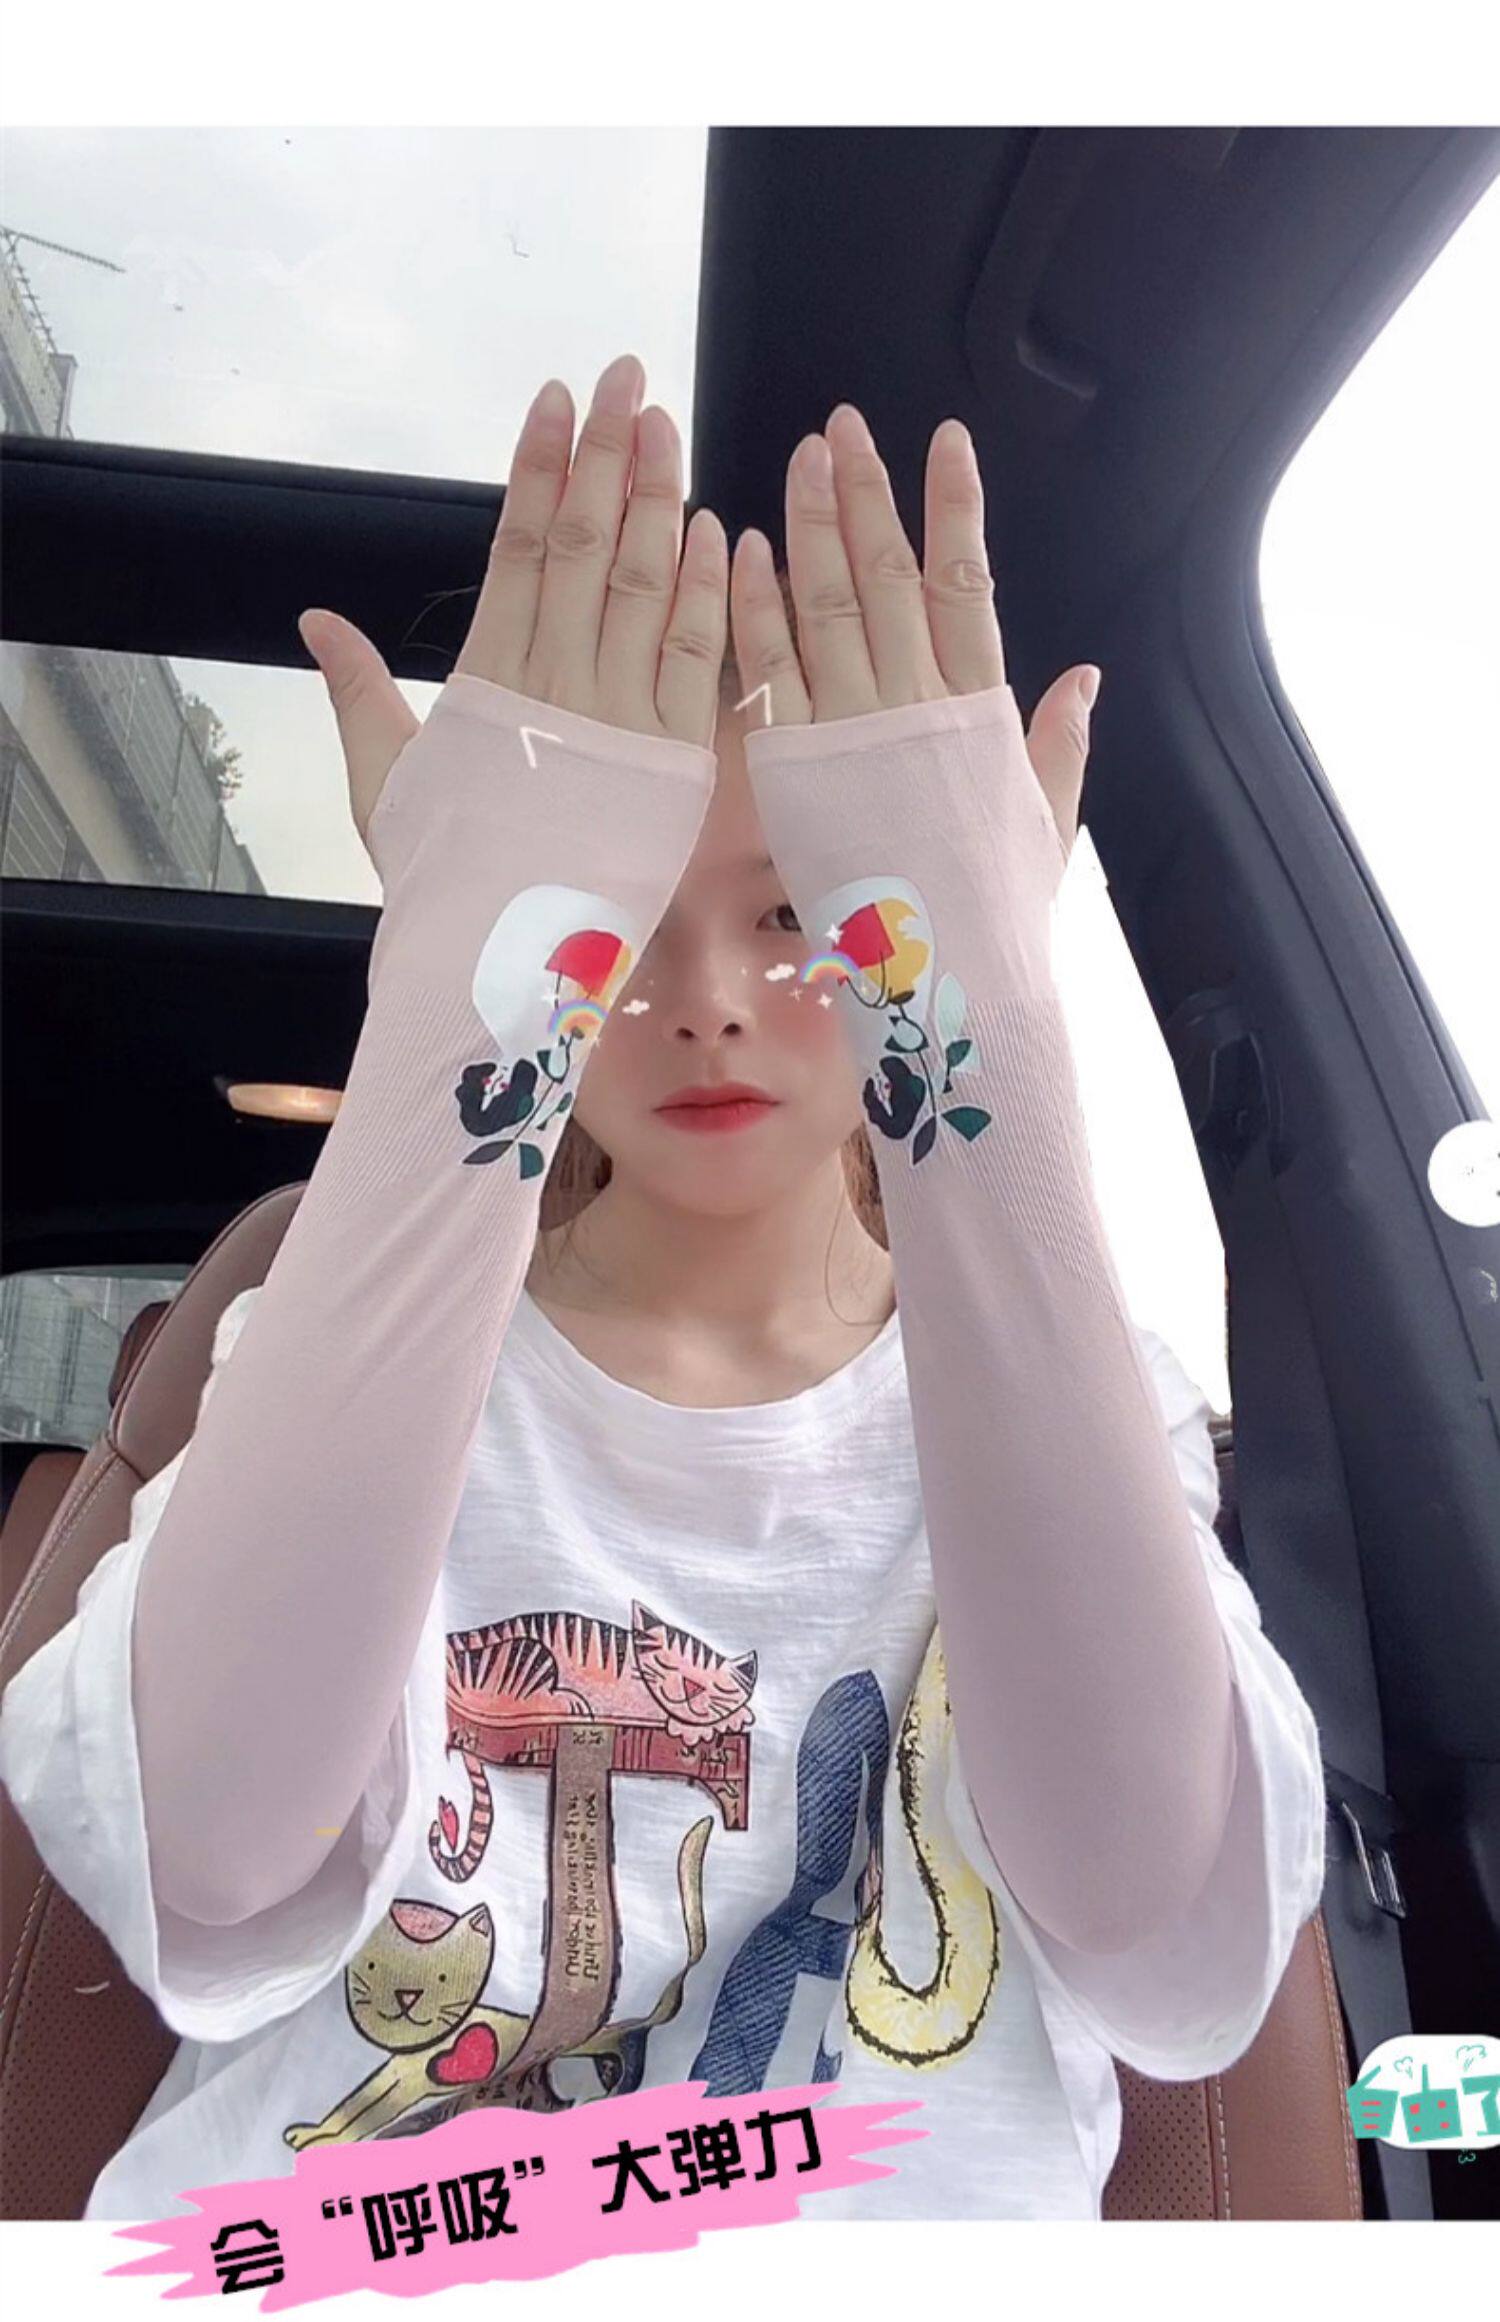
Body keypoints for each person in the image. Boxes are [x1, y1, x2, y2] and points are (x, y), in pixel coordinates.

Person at [0, 353, 1326, 2224]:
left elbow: (1152, 1910)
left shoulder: (1077, 1389)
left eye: (796, 911)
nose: (702, 997)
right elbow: (214, 1852)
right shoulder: (355, 1356)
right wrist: (463, 1004)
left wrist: (979, 1038)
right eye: (614, 926)